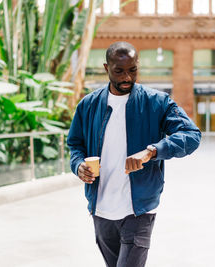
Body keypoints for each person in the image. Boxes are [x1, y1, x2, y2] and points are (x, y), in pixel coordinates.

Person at [67, 41, 201, 267]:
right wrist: (78, 165)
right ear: (106, 68)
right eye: (119, 71)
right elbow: (75, 145)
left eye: (132, 70)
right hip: (101, 209)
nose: (127, 78)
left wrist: (152, 151)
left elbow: (191, 135)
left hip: (139, 210)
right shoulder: (87, 105)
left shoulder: (157, 102)